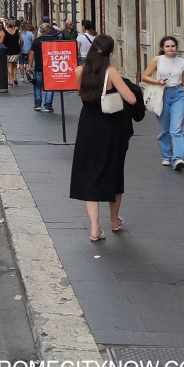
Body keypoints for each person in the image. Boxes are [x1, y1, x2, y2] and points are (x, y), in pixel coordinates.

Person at [70, 35, 138, 240]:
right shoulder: (111, 72)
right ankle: (114, 219)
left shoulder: (80, 71)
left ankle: (94, 228)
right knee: (113, 171)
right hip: (110, 128)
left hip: (87, 128)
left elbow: (80, 92)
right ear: (110, 52)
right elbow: (132, 99)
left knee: (89, 174)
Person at [142, 36, 184, 171]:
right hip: (162, 94)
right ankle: (166, 156)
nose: (170, 49)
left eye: (173, 46)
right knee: (164, 129)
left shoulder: (182, 62)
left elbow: (183, 80)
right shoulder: (157, 60)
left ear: (176, 47)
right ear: (163, 48)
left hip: (178, 94)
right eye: (167, 46)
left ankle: (178, 158)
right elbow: (145, 76)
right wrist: (157, 82)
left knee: (177, 129)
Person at [29, 22, 62, 112]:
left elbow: (32, 53)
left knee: (37, 86)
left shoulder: (36, 40)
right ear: (49, 30)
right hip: (51, 66)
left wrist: (29, 65)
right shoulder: (54, 40)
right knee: (50, 86)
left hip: (39, 67)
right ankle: (48, 105)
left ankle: (37, 104)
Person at [3, 20, 22, 85]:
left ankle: (11, 80)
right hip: (16, 50)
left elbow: (2, 41)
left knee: (9, 65)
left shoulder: (5, 32)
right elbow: (21, 41)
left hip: (8, 50)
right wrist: (21, 47)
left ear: (7, 25)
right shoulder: (17, 31)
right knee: (14, 65)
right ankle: (14, 77)